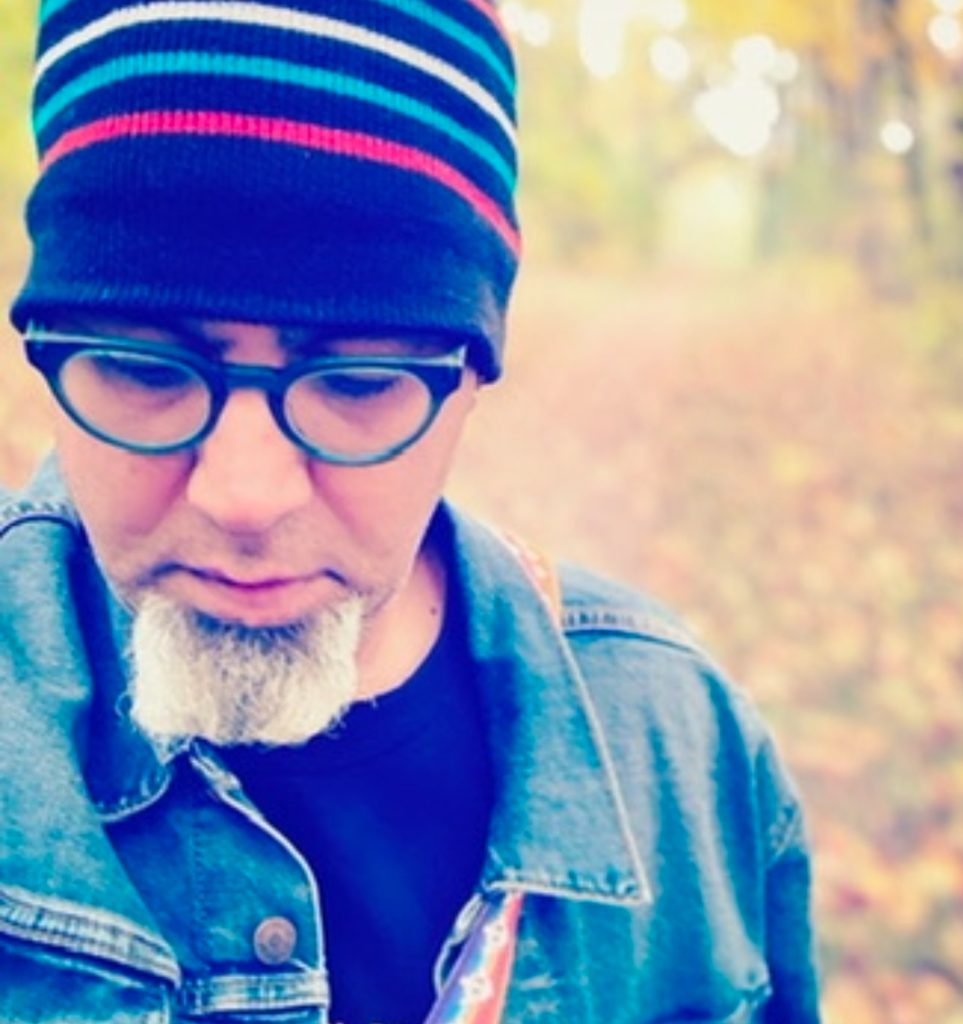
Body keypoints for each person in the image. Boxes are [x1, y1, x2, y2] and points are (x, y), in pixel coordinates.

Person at [0, 1, 821, 1021]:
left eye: (357, 382)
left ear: (472, 377)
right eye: (136, 367)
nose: (245, 497)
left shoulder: (683, 752)